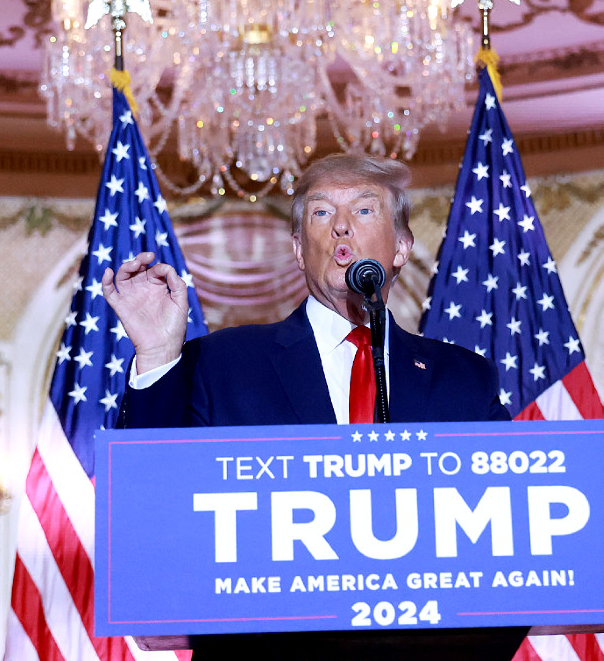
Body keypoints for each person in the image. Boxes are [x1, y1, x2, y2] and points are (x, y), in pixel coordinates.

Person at [102, 153, 525, 660]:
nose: (342, 225)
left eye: (365, 211)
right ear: (300, 251)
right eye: (321, 213)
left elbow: (514, 528)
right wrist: (155, 353)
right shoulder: (223, 364)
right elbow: (154, 496)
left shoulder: (462, 379)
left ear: (402, 248)